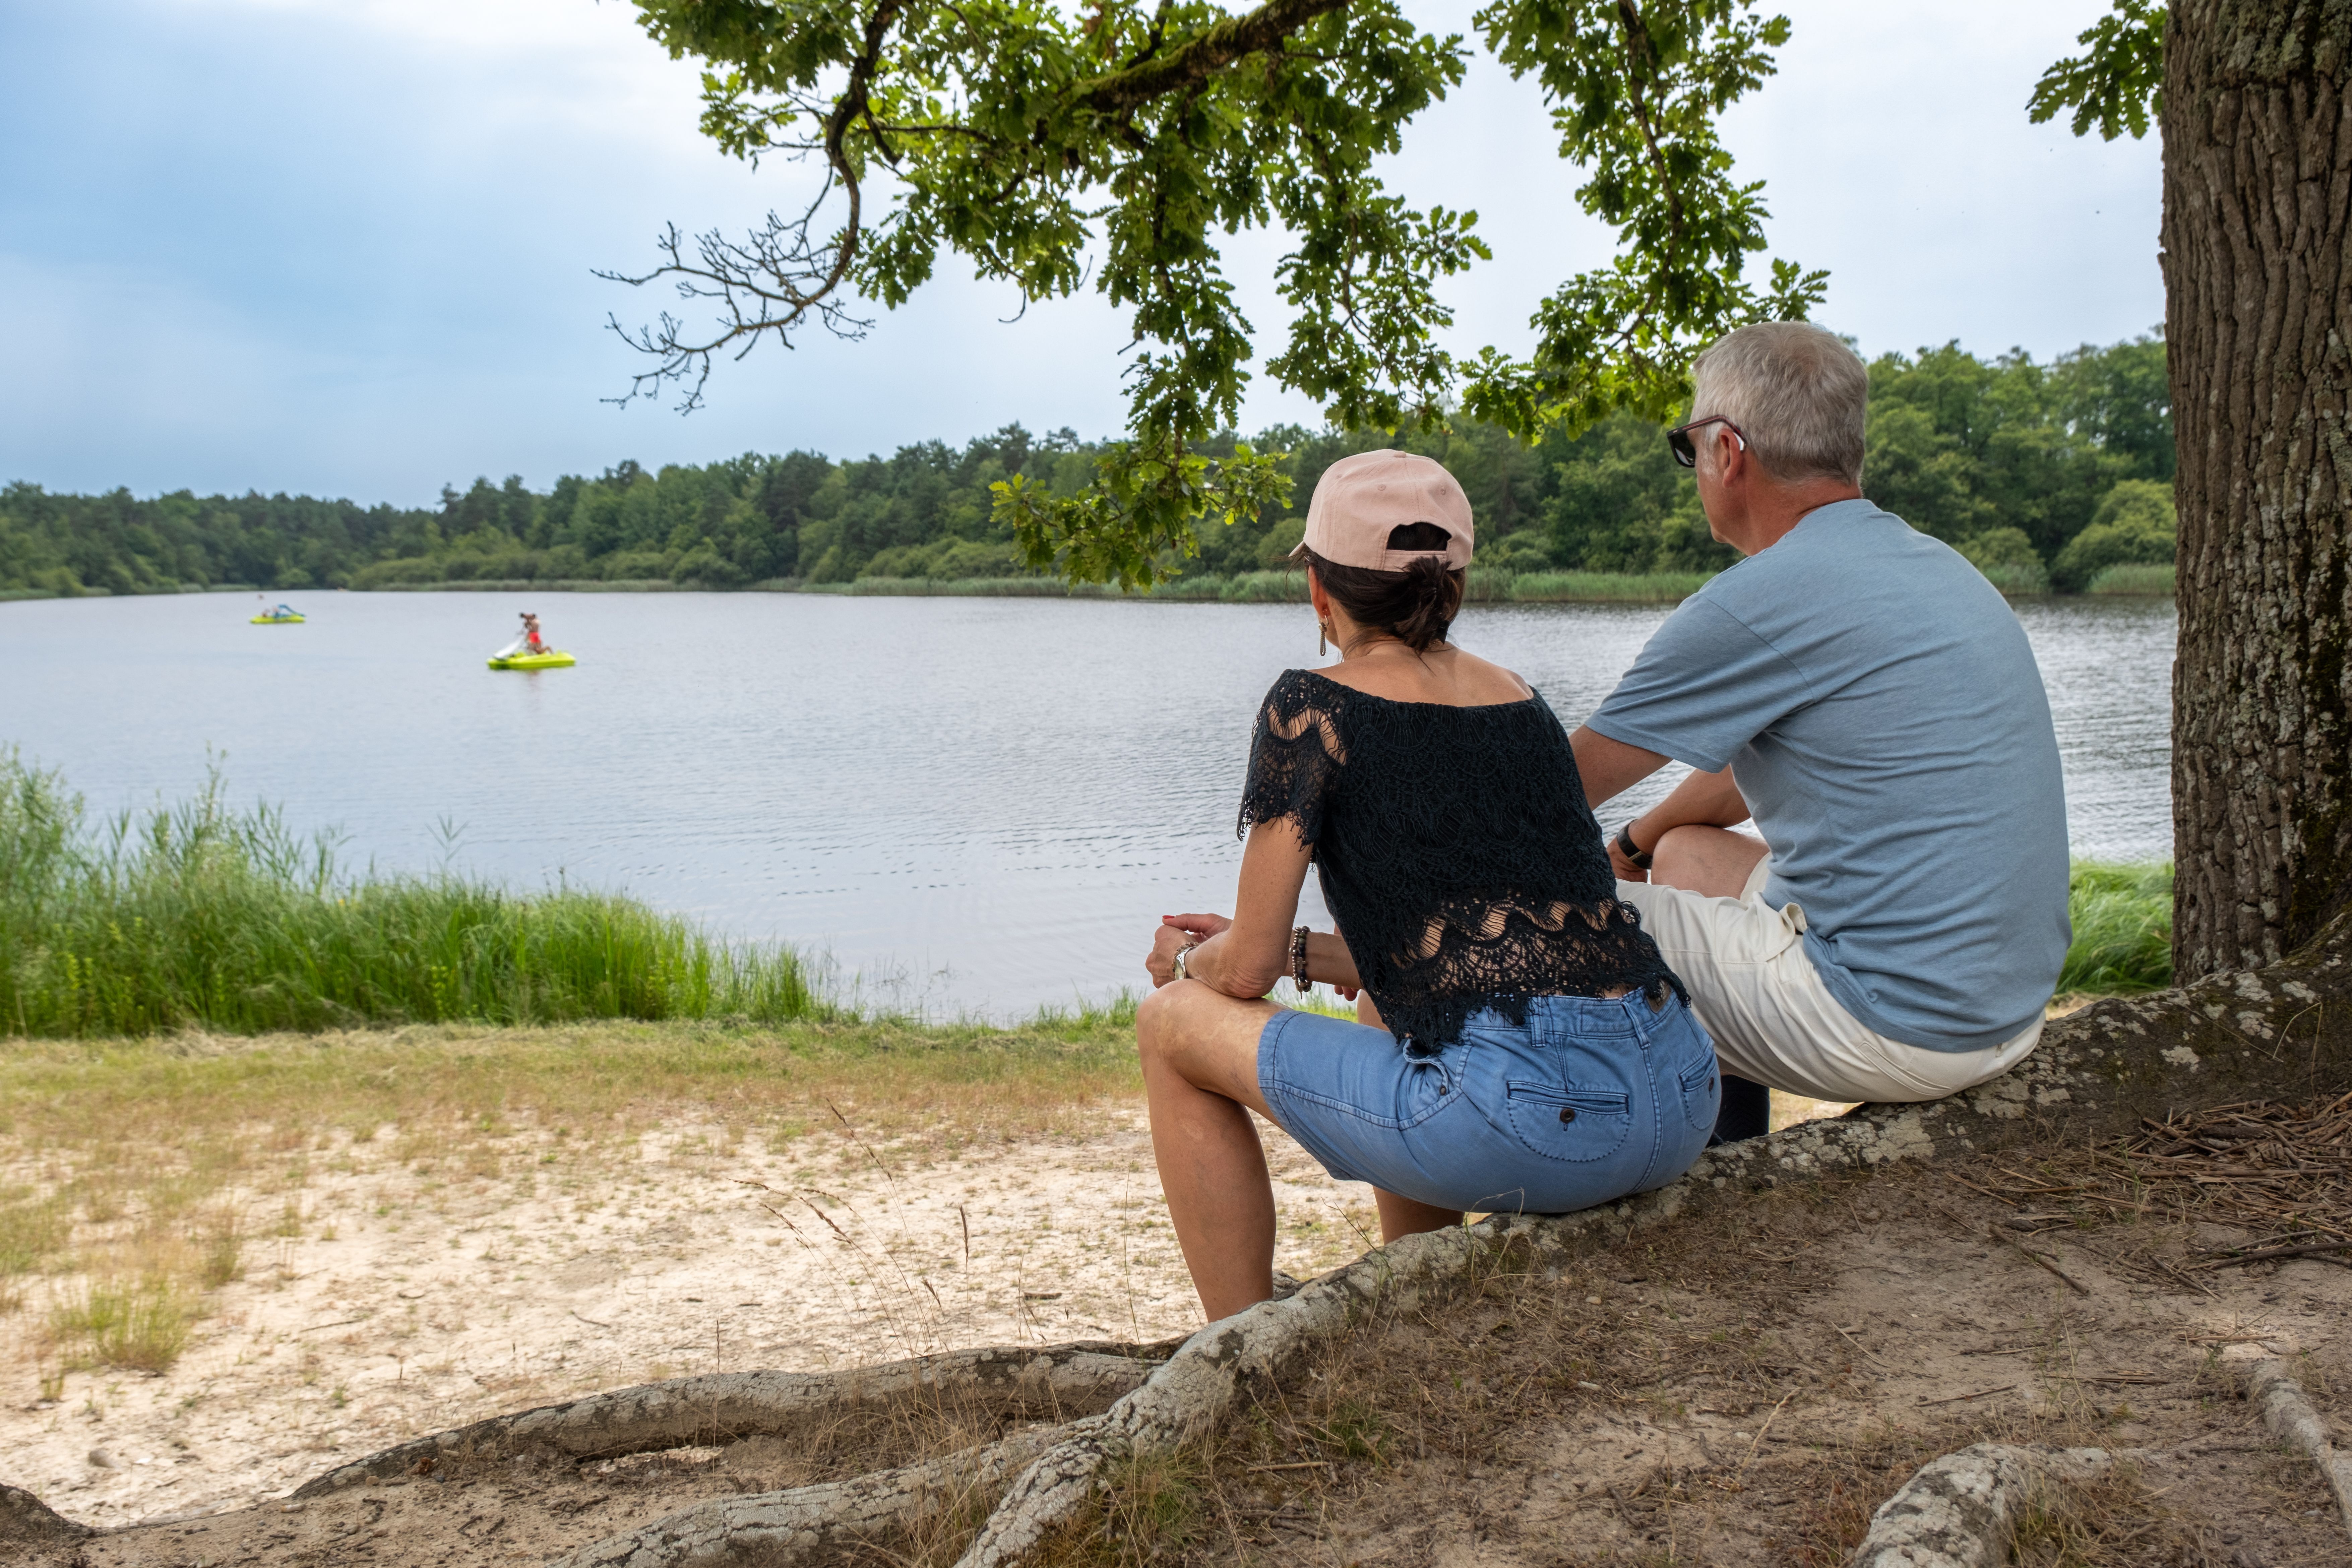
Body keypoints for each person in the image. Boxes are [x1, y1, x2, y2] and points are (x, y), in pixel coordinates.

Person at [1139, 450, 1717, 1323]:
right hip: (1679, 1092)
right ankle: (1419, 1295)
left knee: (1169, 1024)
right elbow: (1480, 953)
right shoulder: (1519, 702)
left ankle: (1239, 1351)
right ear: (1455, 584)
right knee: (1390, 1002)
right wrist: (1291, 952)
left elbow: (1244, 969)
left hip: (1531, 1124)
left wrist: (1190, 963)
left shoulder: (1313, 708)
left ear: (1319, 591)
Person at [1568, 321, 2070, 1142]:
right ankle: (1727, 1159)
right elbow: (1734, 779)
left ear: (1726, 450)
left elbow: (1544, 795)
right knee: (1685, 855)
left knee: (1535, 925)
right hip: (2001, 1008)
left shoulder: (1757, 601)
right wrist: (1632, 845)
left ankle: (1551, 1179)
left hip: (1892, 1018)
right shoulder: (1934, 567)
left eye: (1687, 447)